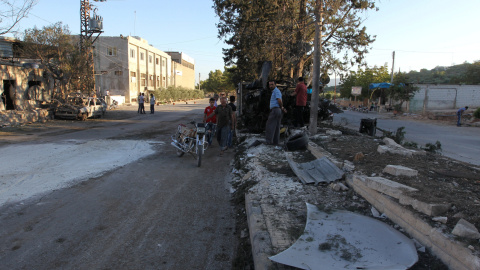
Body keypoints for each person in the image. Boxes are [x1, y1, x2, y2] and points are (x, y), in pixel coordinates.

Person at [266, 80, 287, 145]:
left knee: (269, 125)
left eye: (272, 84)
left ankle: (269, 142)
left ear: (275, 85)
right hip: (278, 110)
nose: (270, 86)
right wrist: (282, 108)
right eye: (270, 85)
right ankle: (276, 142)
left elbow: (279, 100)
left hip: (275, 110)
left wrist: (281, 107)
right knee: (276, 127)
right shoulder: (274, 91)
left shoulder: (276, 91)